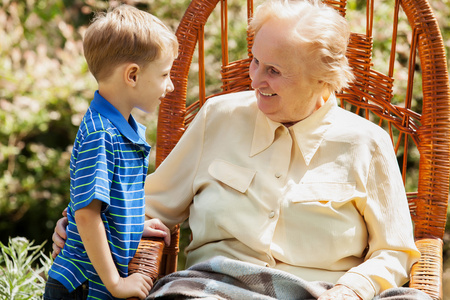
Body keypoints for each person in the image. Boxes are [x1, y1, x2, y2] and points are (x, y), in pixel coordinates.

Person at [53, 0, 431, 299]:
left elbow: (395, 251)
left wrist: (353, 291)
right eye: (255, 62)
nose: (255, 79)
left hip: (325, 292)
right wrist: (79, 223)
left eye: (274, 71)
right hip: (212, 289)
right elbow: (147, 203)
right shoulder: (219, 116)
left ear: (324, 79)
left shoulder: (367, 143)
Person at [44, 4, 177, 300]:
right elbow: (87, 215)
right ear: (132, 75)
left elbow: (110, 203)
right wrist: (117, 283)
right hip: (82, 285)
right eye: (165, 74)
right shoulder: (101, 134)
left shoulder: (120, 128)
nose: (170, 86)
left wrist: (135, 226)